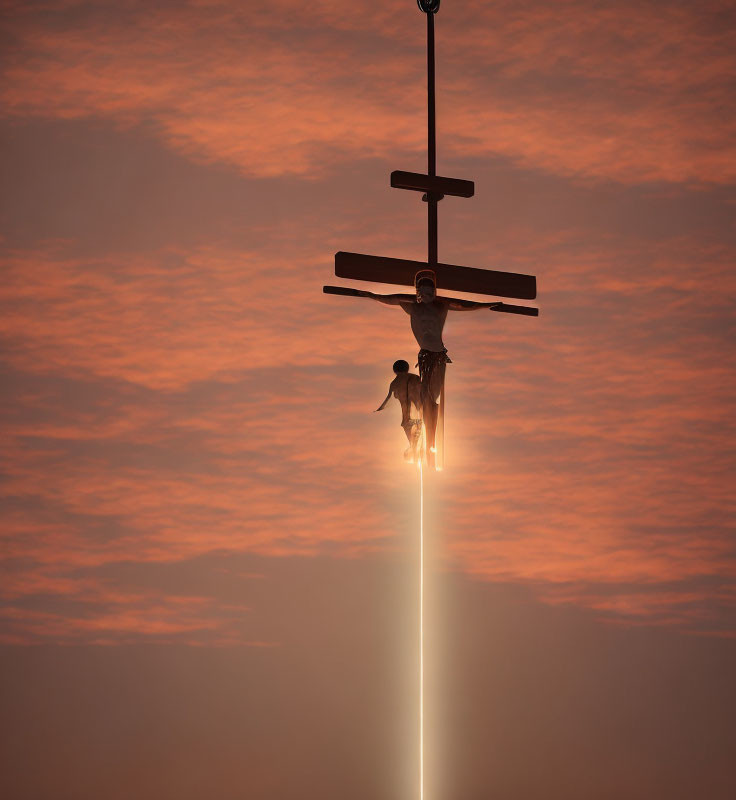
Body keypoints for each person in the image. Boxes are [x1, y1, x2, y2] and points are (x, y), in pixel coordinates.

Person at [355, 270, 501, 461]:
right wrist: (370, 295)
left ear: (434, 292)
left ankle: (431, 443)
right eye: (422, 292)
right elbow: (389, 299)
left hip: (438, 356)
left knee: (433, 397)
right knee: (426, 396)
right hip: (425, 357)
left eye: (429, 291)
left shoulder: (442, 306)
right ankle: (426, 442)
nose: (426, 295)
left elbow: (466, 305)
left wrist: (486, 305)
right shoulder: (413, 308)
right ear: (417, 292)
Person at [375, 360, 423, 462]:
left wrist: (379, 409)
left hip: (407, 418)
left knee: (412, 439)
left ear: (394, 370)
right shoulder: (415, 378)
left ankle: (415, 451)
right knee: (419, 434)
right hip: (420, 414)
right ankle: (417, 451)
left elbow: (389, 400)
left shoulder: (394, 383)